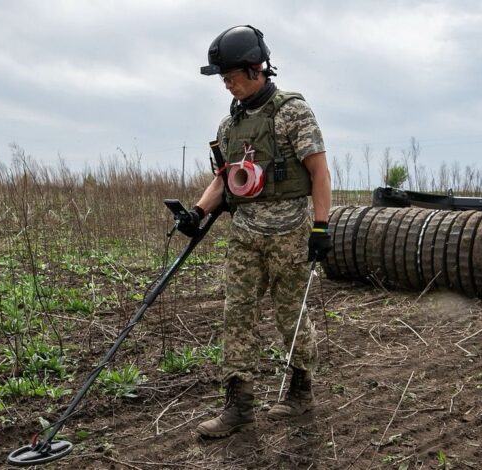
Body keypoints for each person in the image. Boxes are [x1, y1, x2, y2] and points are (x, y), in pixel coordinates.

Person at [176, 25, 332, 438]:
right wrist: (197, 211)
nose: (226, 84)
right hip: (246, 234)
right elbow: (226, 180)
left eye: (230, 75)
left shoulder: (292, 111)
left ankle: (300, 391)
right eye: (223, 78)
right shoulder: (230, 126)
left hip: (289, 235)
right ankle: (238, 407)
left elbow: (319, 171)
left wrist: (321, 226)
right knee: (236, 315)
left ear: (256, 67)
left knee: (289, 318)